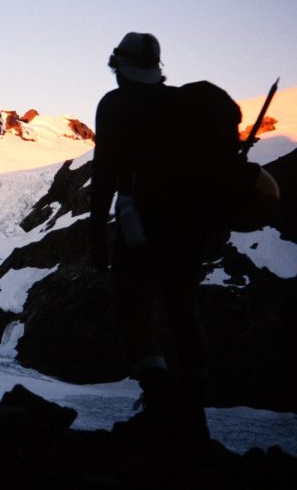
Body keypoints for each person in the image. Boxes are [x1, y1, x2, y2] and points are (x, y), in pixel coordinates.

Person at [90, 32, 211, 444]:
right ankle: (193, 418)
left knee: (133, 311)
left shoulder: (116, 104)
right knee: (183, 311)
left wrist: (95, 236)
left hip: (140, 224)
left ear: (118, 67)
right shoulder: (181, 104)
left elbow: (105, 171)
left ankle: (160, 407)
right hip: (190, 226)